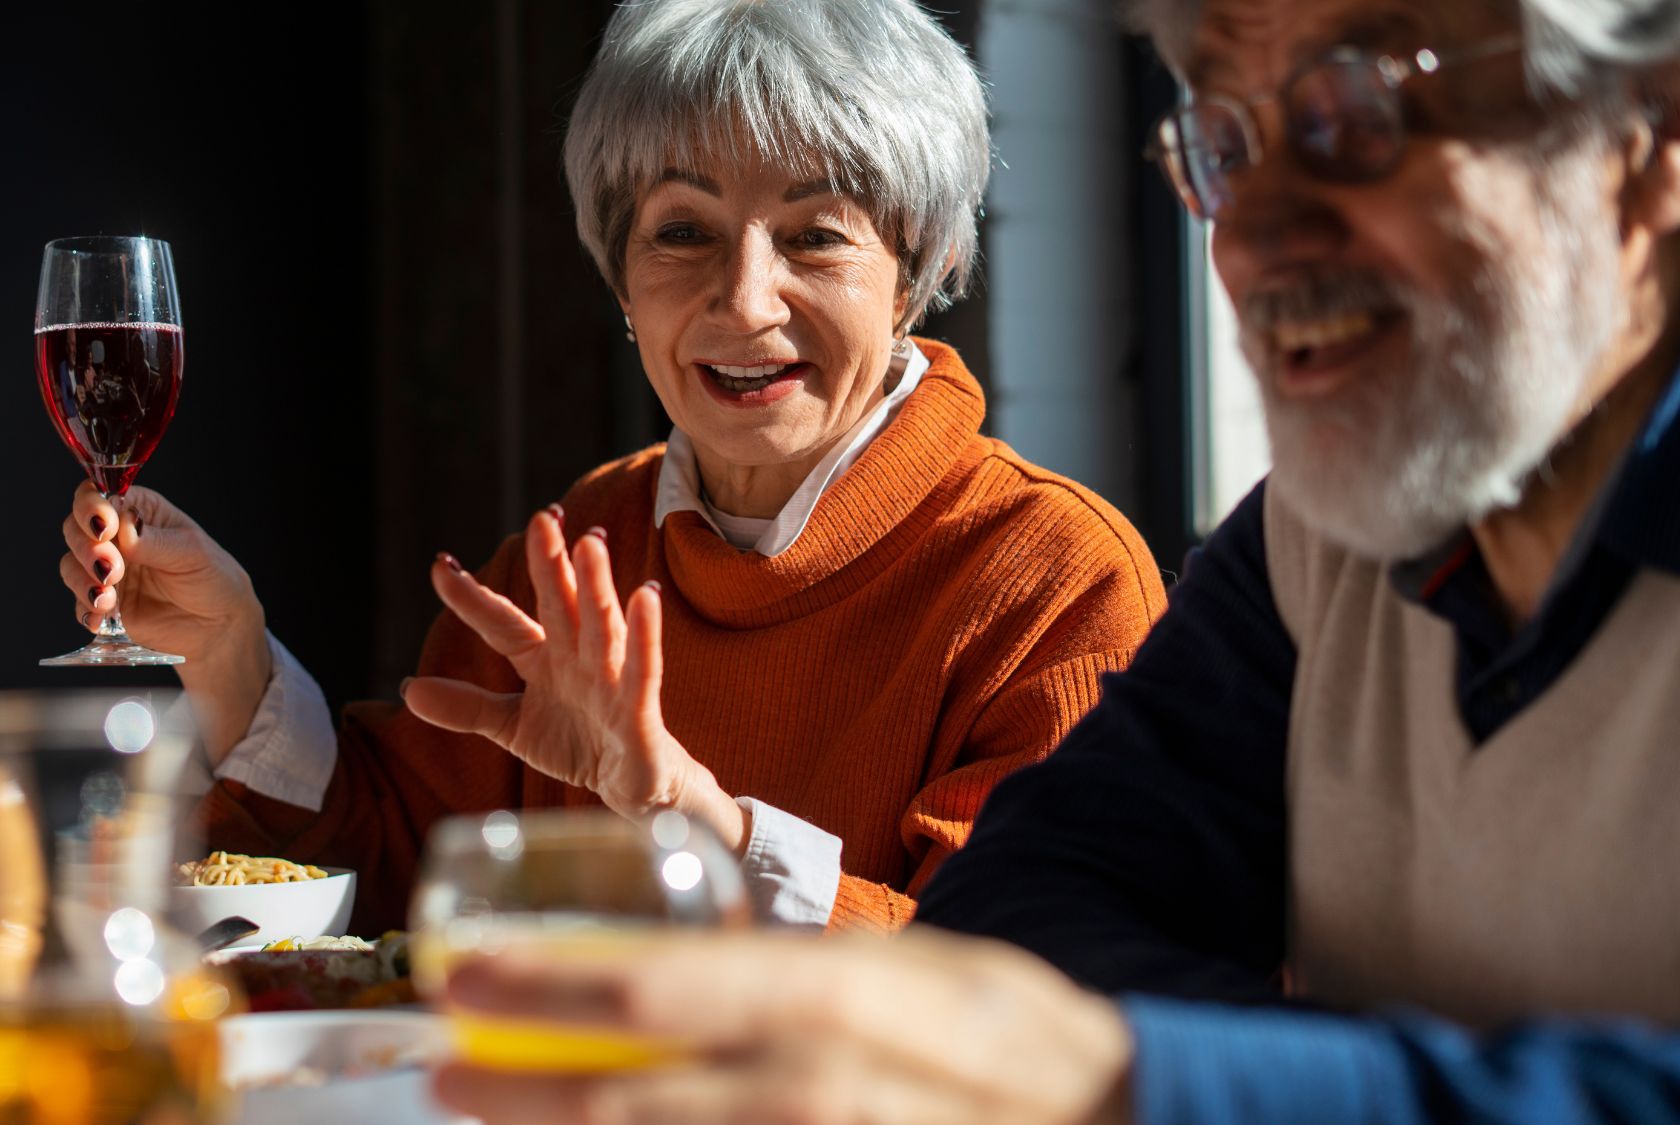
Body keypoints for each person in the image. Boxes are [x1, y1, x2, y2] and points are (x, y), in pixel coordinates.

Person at [424, 0, 1680, 1120]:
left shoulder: (1062, 561)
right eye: (1227, 151)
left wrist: (1120, 1075)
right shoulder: (1317, 543)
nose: (1248, 244)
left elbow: (1022, 1013)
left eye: (1358, 116)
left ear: (1651, 133)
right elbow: (1032, 912)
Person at [58, 0, 1162, 935]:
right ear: (619, 276)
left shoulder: (1058, 580)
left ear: (917, 271)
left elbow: (1020, 1000)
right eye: (681, 232)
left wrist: (690, 815)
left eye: (816, 234)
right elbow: (388, 879)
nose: (743, 299)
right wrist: (230, 650)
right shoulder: (581, 539)